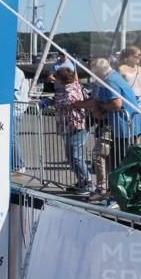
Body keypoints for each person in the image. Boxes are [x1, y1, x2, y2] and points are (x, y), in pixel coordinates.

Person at [76, 58, 141, 187]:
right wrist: (77, 105)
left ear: (99, 71)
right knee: (114, 158)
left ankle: (118, 189)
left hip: (124, 125)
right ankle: (114, 188)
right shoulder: (108, 78)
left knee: (119, 160)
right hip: (121, 125)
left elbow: (116, 103)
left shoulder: (110, 81)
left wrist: (100, 109)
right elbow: (96, 100)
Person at [53, 67, 92, 195]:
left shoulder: (71, 89)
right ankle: (81, 181)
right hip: (69, 126)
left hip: (76, 126)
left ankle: (88, 183)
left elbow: (69, 101)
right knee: (71, 156)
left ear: (61, 79)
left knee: (75, 156)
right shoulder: (68, 88)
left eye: (56, 78)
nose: (54, 80)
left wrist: (54, 100)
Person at [13, 63, 30, 173]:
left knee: (13, 138)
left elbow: (12, 90)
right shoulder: (16, 72)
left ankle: (19, 164)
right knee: (12, 137)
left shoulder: (16, 73)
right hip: (16, 108)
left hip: (16, 109)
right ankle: (16, 164)